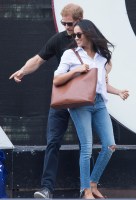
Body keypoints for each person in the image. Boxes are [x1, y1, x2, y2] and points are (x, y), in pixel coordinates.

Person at [9, 3, 84, 198]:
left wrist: (105, 76)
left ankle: (87, 189)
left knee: (86, 143)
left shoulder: (89, 39)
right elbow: (38, 59)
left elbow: (106, 60)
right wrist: (22, 71)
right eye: (63, 23)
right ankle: (47, 188)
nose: (66, 27)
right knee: (52, 142)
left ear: (79, 20)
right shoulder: (58, 39)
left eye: (70, 24)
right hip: (61, 96)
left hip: (83, 97)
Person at [53, 19, 129, 199]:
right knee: (86, 148)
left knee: (110, 145)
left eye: (79, 34)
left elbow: (100, 85)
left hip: (100, 103)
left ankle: (93, 183)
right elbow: (56, 79)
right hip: (80, 105)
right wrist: (76, 70)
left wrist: (118, 91)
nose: (76, 37)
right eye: (74, 35)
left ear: (89, 34)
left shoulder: (102, 57)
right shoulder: (70, 55)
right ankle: (85, 190)